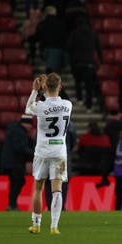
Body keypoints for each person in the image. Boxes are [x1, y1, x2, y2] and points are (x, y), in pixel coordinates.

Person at [25, 73, 73, 234]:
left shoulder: (40, 105)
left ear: (45, 87)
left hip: (42, 152)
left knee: (38, 188)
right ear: (60, 87)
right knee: (57, 189)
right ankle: (54, 226)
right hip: (59, 151)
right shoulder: (68, 105)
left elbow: (28, 109)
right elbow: (54, 101)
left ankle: (36, 224)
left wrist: (35, 91)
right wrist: (46, 89)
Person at [65, 16, 103, 113]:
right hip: (89, 62)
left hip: (77, 62)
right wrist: (101, 60)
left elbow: (68, 47)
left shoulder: (74, 33)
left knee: (78, 81)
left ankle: (80, 99)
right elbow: (98, 48)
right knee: (89, 85)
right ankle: (89, 106)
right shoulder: (93, 33)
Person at [1, 115, 35, 211]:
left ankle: (12, 204)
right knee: (19, 181)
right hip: (14, 162)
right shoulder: (19, 132)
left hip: (10, 161)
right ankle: (12, 204)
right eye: (30, 125)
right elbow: (20, 148)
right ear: (25, 123)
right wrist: (34, 154)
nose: (31, 127)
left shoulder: (16, 130)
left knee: (15, 182)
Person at [44, 120, 77, 210]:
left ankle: (50, 206)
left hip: (48, 155)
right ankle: (60, 207)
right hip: (63, 156)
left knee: (48, 181)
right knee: (63, 181)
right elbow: (73, 141)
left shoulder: (45, 122)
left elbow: (37, 141)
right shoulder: (69, 124)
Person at [35, 6, 68, 74]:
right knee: (57, 71)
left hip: (46, 48)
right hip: (59, 49)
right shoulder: (61, 23)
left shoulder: (43, 23)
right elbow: (65, 36)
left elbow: (37, 35)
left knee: (49, 70)